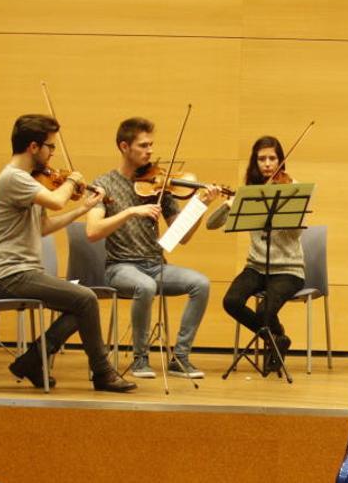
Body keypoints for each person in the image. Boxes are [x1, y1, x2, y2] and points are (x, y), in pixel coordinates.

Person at [0, 114, 135, 392]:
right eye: (50, 147)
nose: (52, 153)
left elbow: (43, 226)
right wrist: (74, 180)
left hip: (25, 272)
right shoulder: (13, 178)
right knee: (86, 299)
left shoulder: (30, 181)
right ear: (34, 147)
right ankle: (102, 373)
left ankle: (33, 359)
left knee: (82, 305)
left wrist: (82, 209)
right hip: (9, 274)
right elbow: (57, 201)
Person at [86, 117, 220, 379]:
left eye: (151, 145)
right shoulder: (104, 184)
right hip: (120, 267)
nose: (150, 151)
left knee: (201, 284)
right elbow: (92, 231)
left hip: (155, 265)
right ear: (124, 147)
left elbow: (182, 236)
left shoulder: (159, 185)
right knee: (145, 287)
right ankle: (140, 359)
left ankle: (180, 358)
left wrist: (200, 205)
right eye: (143, 145)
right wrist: (131, 211)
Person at [210, 136, 303, 374]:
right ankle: (277, 339)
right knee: (231, 301)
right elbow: (211, 224)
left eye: (272, 158)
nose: (268, 164)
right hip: (256, 267)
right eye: (262, 159)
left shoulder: (292, 189)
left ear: (281, 161)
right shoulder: (248, 193)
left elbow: (294, 232)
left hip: (288, 270)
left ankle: (274, 340)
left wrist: (282, 207)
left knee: (264, 311)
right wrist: (229, 204)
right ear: (255, 162)